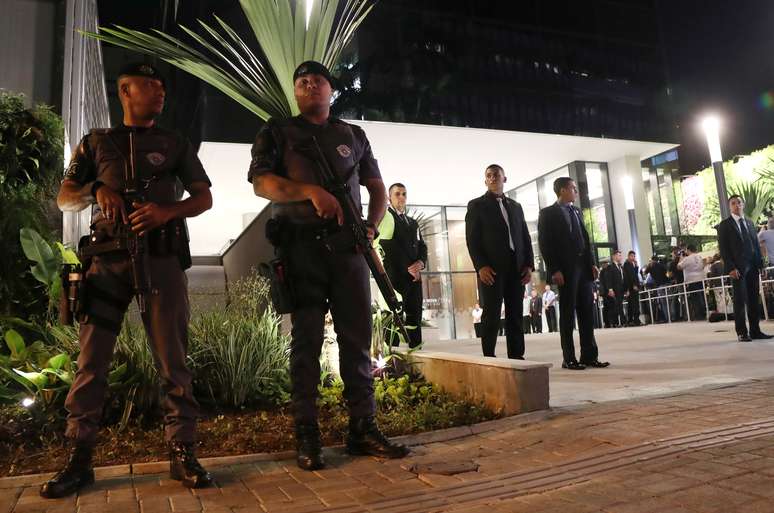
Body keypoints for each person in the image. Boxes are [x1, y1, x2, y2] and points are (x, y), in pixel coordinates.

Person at [41, 63, 214, 498]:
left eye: (162, 88)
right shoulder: (96, 143)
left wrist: (166, 212)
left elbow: (203, 196)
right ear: (124, 90)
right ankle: (79, 459)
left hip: (160, 259)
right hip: (106, 262)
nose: (160, 93)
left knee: (173, 360)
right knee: (91, 362)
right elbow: (65, 197)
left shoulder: (174, 142)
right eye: (150, 86)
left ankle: (182, 450)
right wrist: (97, 189)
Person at [248, 60, 408, 471]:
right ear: (296, 92)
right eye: (302, 81)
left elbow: (376, 188)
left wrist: (371, 227)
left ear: (330, 90)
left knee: (356, 341)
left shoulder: (352, 135)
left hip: (349, 251)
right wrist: (310, 192)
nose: (310, 85)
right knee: (306, 344)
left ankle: (363, 428)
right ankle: (308, 434)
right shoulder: (278, 132)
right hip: (301, 250)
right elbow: (262, 183)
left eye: (317, 80)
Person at [537, 177, 609, 370]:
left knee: (587, 312)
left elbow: (585, 239)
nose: (576, 192)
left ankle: (589, 355)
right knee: (568, 314)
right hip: (565, 270)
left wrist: (592, 264)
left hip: (583, 269)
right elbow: (545, 245)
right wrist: (554, 269)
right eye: (573, 189)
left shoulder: (576, 211)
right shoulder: (547, 214)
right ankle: (569, 358)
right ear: (562, 190)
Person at [465, 164, 534, 359]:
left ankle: (517, 356)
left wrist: (529, 265)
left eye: (496, 174)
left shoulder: (516, 206)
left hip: (517, 268)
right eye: (489, 175)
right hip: (491, 269)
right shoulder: (476, 205)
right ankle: (489, 356)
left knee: (515, 315)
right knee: (491, 316)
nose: (493, 177)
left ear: (505, 179)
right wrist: (481, 266)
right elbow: (472, 239)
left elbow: (525, 238)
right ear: (485, 181)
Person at [716, 195, 772, 342]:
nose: (737, 205)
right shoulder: (725, 225)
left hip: (753, 266)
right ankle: (742, 332)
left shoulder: (749, 223)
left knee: (754, 299)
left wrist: (761, 265)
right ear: (730, 207)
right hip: (738, 269)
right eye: (733, 203)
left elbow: (756, 245)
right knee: (740, 300)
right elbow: (724, 249)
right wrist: (731, 268)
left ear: (743, 205)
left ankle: (755, 331)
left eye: (739, 203)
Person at [378, 183, 427, 348]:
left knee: (415, 317)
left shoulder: (413, 223)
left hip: (414, 279)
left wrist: (420, 263)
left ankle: (417, 353)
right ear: (388, 197)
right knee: (392, 320)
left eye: (404, 194)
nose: (401, 197)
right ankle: (392, 363)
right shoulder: (385, 218)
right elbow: (384, 246)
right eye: (397, 194)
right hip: (394, 277)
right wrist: (408, 267)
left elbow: (422, 246)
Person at [677, 244, 707, 320]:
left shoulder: (687, 259)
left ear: (688, 250)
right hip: (701, 279)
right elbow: (703, 266)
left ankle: (699, 315)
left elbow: (679, 267)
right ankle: (704, 313)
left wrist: (681, 259)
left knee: (695, 298)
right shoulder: (699, 257)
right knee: (702, 296)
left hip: (691, 281)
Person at [601, 250, 626, 328]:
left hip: (621, 289)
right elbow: (608, 279)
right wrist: (610, 289)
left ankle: (622, 322)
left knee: (620, 305)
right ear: (614, 256)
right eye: (618, 255)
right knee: (615, 306)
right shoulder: (610, 267)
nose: (620, 257)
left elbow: (622, 278)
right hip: (614, 289)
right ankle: (614, 322)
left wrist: (626, 289)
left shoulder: (620, 266)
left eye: (620, 255)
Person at [623, 251, 642, 326]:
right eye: (632, 256)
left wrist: (636, 266)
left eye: (634, 256)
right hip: (631, 287)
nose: (633, 258)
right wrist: (634, 285)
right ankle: (635, 320)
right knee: (634, 304)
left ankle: (631, 320)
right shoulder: (627, 264)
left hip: (633, 286)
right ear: (628, 256)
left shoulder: (632, 264)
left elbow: (635, 274)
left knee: (632, 304)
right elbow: (630, 276)